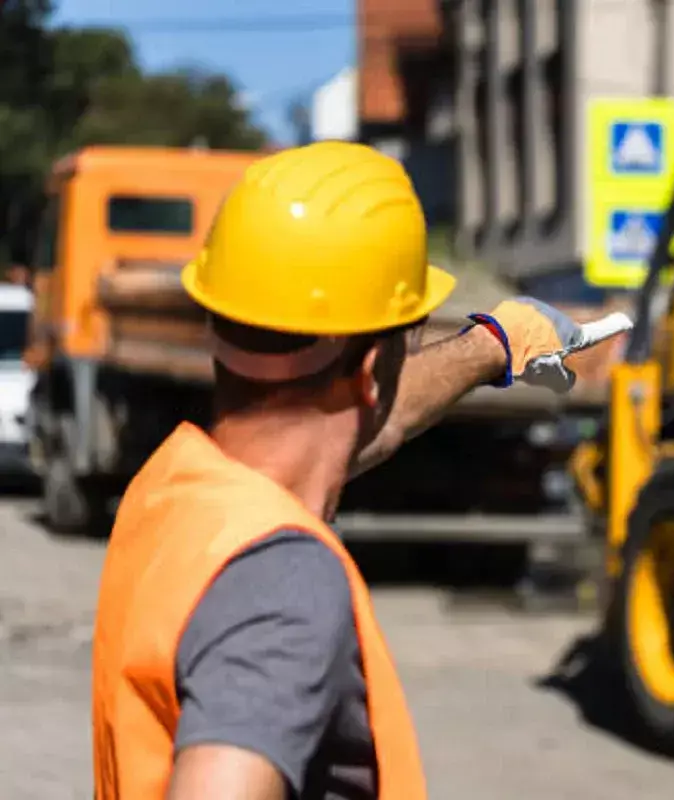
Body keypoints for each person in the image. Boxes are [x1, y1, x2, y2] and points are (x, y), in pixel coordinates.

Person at [90, 141, 590, 800]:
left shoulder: (175, 488)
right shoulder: (280, 581)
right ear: (369, 367)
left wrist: (491, 346)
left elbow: (345, 425)